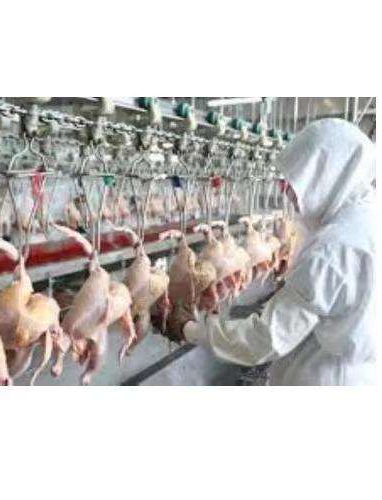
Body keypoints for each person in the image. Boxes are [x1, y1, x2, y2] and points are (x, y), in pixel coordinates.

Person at [160, 119, 376, 385]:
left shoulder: (334, 248)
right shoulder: (366, 219)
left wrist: (189, 329)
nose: (288, 192)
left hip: (326, 378)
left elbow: (265, 339)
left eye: (300, 181)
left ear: (328, 177)